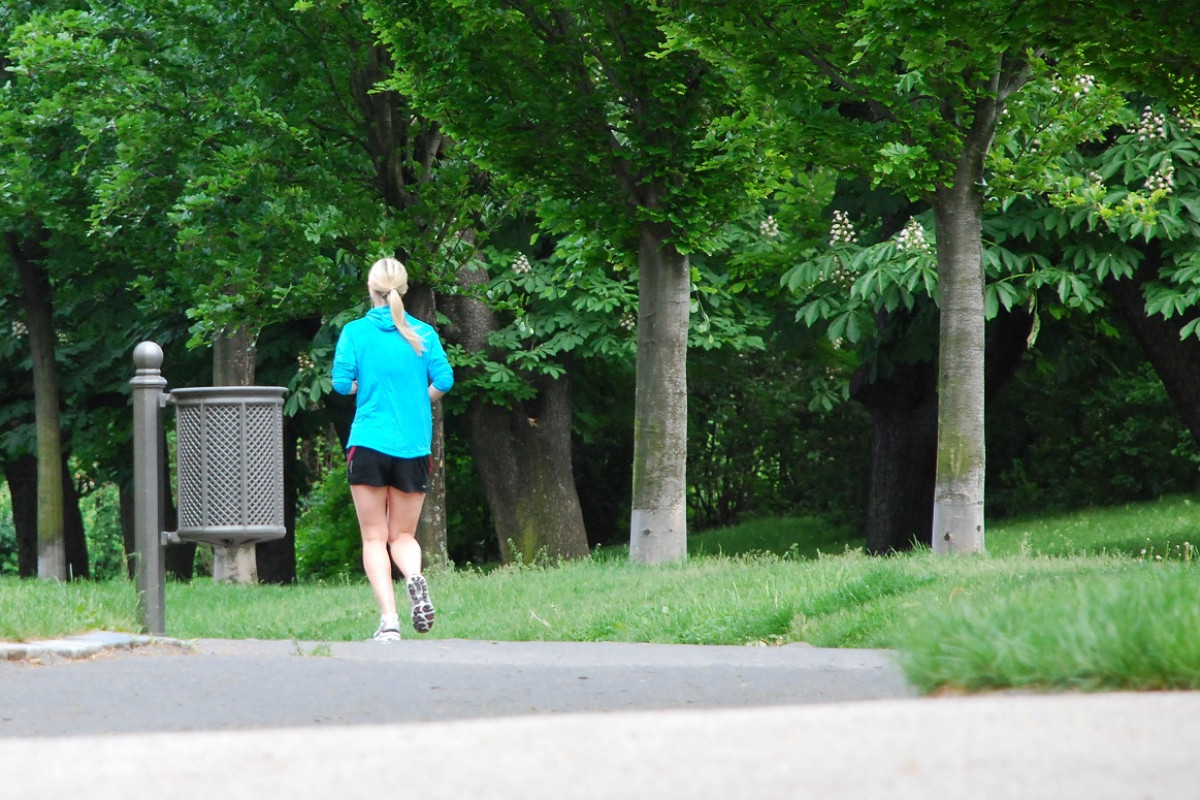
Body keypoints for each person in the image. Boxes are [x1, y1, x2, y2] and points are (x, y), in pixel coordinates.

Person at [332, 257, 454, 641]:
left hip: (368, 442)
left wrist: (364, 390)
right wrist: (420, 400)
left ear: (370, 290)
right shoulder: (424, 334)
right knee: (402, 536)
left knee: (373, 537)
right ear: (403, 289)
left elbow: (340, 384)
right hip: (413, 447)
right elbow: (445, 380)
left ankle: (390, 621)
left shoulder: (355, 332)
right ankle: (415, 577)